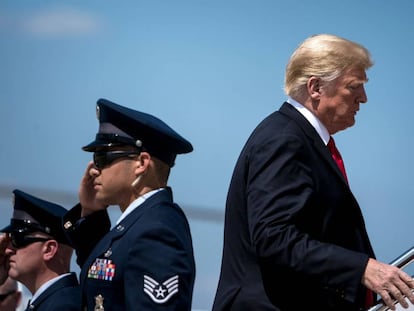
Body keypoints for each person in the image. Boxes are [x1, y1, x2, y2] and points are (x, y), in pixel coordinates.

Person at [212, 34, 414, 311]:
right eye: (354, 87)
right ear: (316, 87)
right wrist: (362, 268)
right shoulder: (285, 139)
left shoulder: (300, 139)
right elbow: (273, 237)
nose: (364, 99)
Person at [62, 98, 196, 310]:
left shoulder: (157, 232)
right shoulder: (140, 224)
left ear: (141, 164)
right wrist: (90, 210)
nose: (94, 169)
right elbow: (102, 277)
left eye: (103, 157)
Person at [1, 189, 81, 310]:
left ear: (49, 250)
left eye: (17, 239)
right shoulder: (49, 302)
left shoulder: (63, 307)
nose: (7, 250)